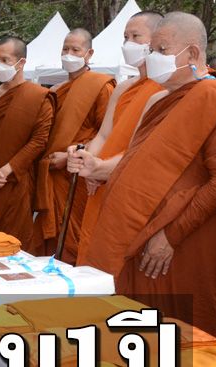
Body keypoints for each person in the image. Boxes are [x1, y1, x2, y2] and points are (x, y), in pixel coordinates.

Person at [87, 12, 216, 348]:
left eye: (162, 49)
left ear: (193, 54)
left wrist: (171, 235)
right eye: (152, 49)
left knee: (179, 335)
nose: (152, 57)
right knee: (137, 329)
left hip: (184, 240)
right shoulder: (160, 100)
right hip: (141, 235)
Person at [68, 11, 164, 264]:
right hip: (100, 182)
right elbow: (104, 134)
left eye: (135, 36)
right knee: (93, 251)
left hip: (131, 184)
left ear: (157, 40)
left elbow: (146, 148)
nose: (128, 43)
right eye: (125, 37)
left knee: (119, 257)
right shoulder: (123, 88)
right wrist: (89, 161)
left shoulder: (166, 88)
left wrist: (101, 168)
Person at [30, 28, 115, 263]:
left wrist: (70, 157)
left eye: (75, 50)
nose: (69, 54)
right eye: (65, 49)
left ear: (89, 53)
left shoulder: (101, 87)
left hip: (79, 174)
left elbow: (108, 135)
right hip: (53, 175)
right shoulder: (55, 91)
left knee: (74, 234)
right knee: (51, 236)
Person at [0, 36, 54, 248]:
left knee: (14, 243)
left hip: (17, 180)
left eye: (5, 60)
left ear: (21, 62)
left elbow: (39, 141)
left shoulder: (39, 96)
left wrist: (7, 170)